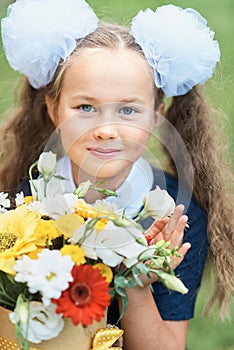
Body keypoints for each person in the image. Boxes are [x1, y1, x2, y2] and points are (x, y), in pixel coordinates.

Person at [0, 1, 234, 349]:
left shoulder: (176, 218)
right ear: (53, 108)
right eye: (85, 108)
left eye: (128, 109)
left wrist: (137, 281)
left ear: (156, 116)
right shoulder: (20, 210)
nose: (106, 129)